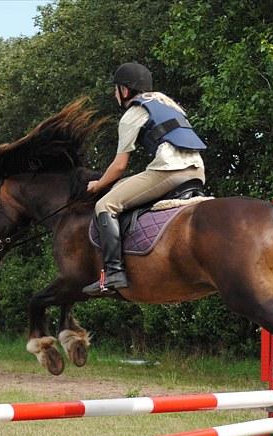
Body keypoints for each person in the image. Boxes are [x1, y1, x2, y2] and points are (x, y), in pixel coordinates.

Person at [82, 62, 207, 296]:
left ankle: (113, 274)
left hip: (170, 171)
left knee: (105, 204)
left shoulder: (133, 113)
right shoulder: (168, 106)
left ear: (125, 91)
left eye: (116, 89)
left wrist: (98, 185)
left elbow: (119, 166)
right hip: (197, 171)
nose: (114, 94)